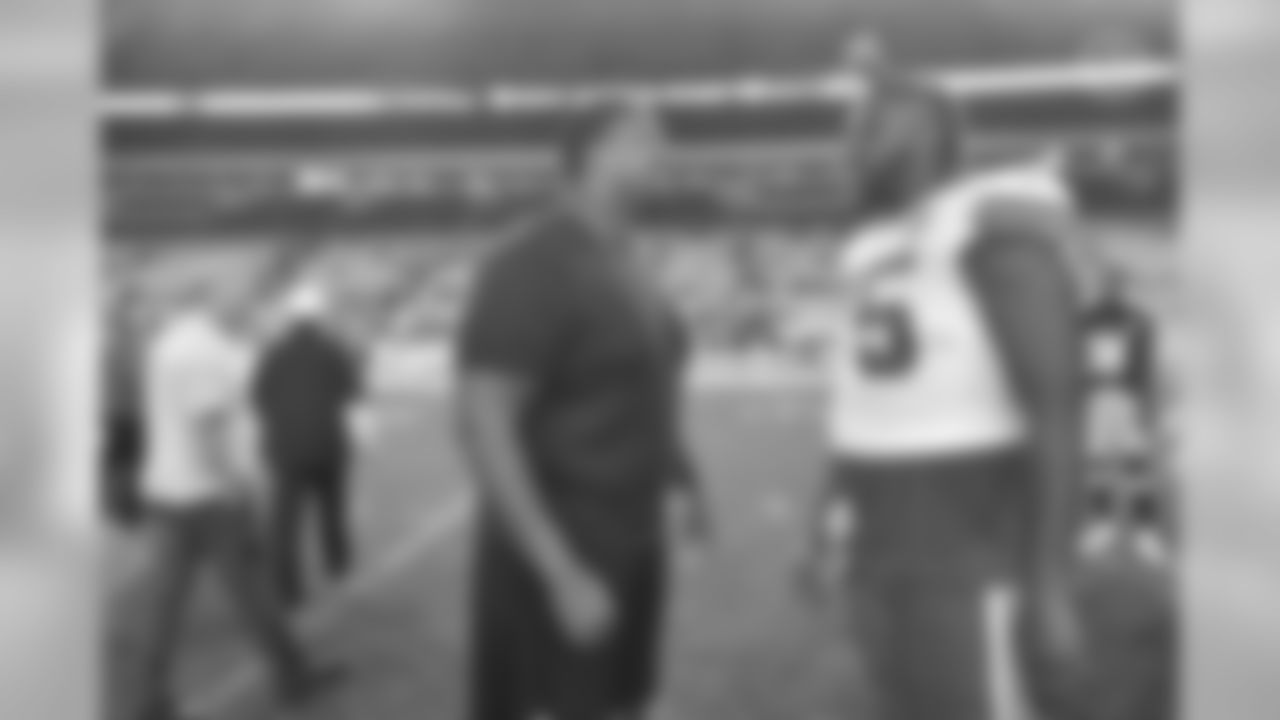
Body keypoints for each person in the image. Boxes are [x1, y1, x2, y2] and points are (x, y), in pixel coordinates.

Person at [796, 84, 1094, 720]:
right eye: (858, 126)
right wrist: (818, 524)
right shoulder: (868, 244)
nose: (859, 139)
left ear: (936, 133)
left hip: (967, 528)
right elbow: (860, 403)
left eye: (882, 122)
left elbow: (1056, 405)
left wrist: (1052, 583)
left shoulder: (991, 224)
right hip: (875, 538)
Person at [455, 101, 711, 720]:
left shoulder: (624, 260)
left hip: (630, 542)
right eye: (643, 140)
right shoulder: (529, 264)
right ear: (593, 155)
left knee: (622, 703)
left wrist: (682, 476)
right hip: (563, 552)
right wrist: (561, 572)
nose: (663, 155)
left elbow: (641, 382)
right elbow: (484, 421)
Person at [131, 284, 336, 720]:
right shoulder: (202, 351)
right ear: (215, 301)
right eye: (240, 301)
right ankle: (294, 677)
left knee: (164, 605)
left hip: (167, 491)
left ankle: (150, 700)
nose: (247, 309)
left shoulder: (170, 340)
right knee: (254, 594)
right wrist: (239, 488)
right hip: (210, 497)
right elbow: (208, 431)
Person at [251, 281, 364, 609]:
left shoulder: (273, 352)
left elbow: (258, 397)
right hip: (328, 444)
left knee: (285, 519)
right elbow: (352, 394)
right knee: (332, 510)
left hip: (286, 447)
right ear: (320, 316)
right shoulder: (334, 350)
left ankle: (287, 588)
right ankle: (338, 566)